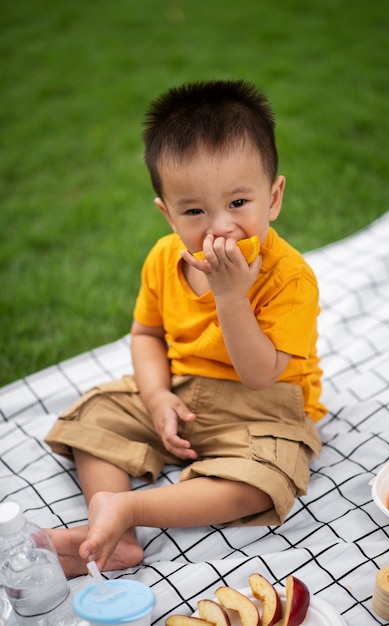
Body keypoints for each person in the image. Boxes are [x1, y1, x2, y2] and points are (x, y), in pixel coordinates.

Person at [45, 79, 327, 578]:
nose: (219, 227)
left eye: (239, 204)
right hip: (180, 392)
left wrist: (230, 297)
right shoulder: (162, 259)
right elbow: (147, 335)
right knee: (95, 415)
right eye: (194, 210)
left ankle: (134, 509)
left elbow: (261, 373)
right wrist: (155, 398)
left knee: (263, 481)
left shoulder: (291, 278)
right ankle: (113, 532)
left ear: (274, 196)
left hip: (264, 407)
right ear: (168, 213)